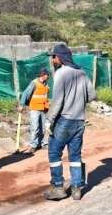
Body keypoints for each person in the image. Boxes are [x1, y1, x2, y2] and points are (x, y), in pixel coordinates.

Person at [43, 44, 97, 201]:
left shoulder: (61, 74)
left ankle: (58, 187)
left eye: (53, 57)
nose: (52, 60)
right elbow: (92, 95)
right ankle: (76, 188)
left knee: (54, 152)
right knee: (75, 155)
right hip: (80, 121)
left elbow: (58, 101)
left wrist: (49, 120)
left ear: (59, 57)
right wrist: (78, 100)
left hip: (64, 120)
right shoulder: (82, 73)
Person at [19, 68, 50, 153]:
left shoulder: (46, 84)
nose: (48, 76)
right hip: (35, 108)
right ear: (43, 75)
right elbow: (26, 93)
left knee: (43, 128)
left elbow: (45, 96)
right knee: (35, 127)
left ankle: (43, 144)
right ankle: (33, 145)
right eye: (47, 75)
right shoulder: (34, 83)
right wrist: (22, 104)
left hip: (43, 109)